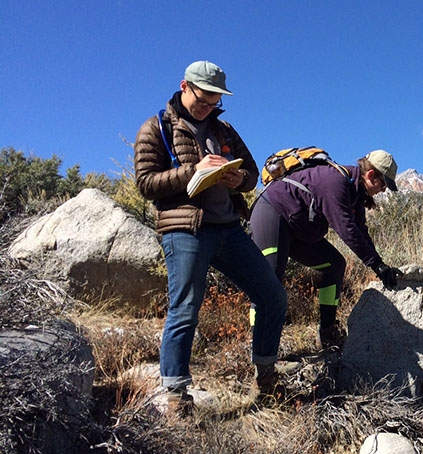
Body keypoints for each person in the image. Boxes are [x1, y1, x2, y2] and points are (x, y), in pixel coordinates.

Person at [134, 61, 288, 412]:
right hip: (185, 229)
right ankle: (175, 395)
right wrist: (193, 171)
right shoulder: (156, 128)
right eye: (203, 100)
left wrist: (240, 180)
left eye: (215, 102)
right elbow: (145, 183)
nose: (208, 108)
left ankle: (265, 378)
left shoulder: (224, 130)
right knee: (185, 308)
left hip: (229, 229)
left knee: (272, 296)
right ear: (184, 87)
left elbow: (252, 173)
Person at [249, 149, 404, 350]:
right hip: (272, 215)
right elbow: (346, 229)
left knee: (335, 264)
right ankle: (261, 352)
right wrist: (375, 264)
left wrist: (381, 265)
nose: (383, 190)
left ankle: (327, 333)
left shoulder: (355, 193)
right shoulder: (335, 182)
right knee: (270, 282)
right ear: (371, 175)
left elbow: (361, 231)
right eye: (383, 184)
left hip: (297, 229)